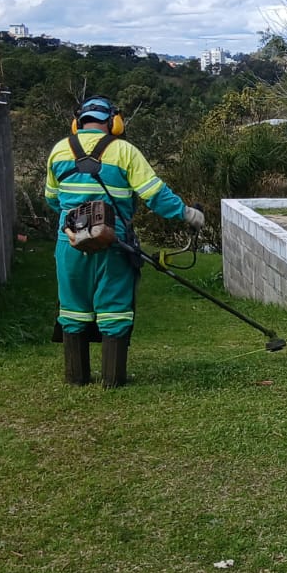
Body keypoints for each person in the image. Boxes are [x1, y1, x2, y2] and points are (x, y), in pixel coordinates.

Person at [44, 97, 204, 387]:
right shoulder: (124, 151)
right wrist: (188, 214)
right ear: (113, 122)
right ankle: (112, 379)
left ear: (78, 122)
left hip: (69, 242)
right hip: (114, 243)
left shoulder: (59, 150)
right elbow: (155, 194)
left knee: (72, 306)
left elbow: (52, 199)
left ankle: (76, 377)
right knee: (114, 307)